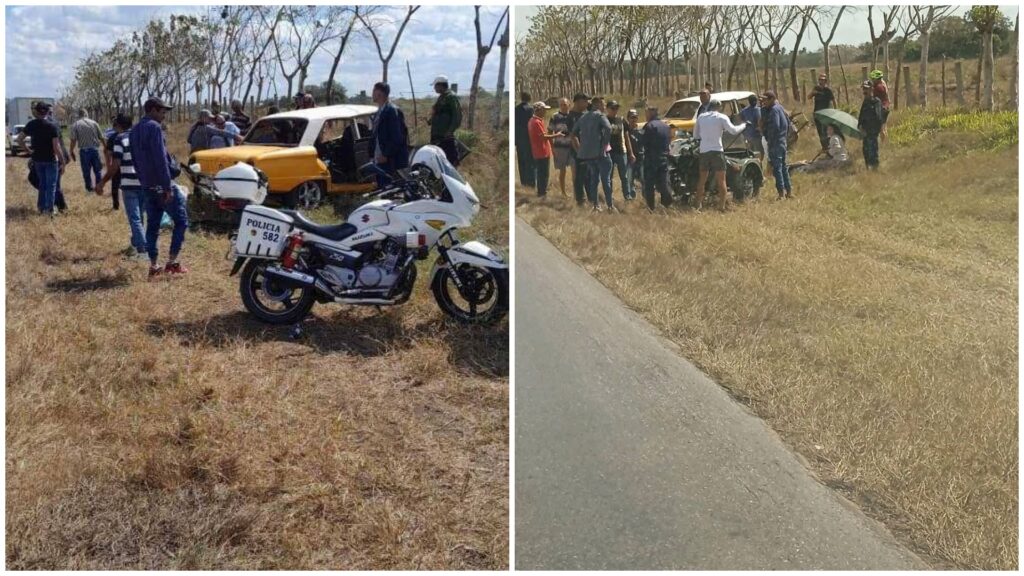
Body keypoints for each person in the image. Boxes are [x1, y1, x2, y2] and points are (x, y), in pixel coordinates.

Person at [131, 97, 189, 278]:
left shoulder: (134, 130)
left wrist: (144, 182)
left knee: (152, 226)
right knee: (181, 221)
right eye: (163, 111)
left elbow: (134, 160)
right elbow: (160, 160)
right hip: (161, 185)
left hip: (147, 186)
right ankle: (172, 262)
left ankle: (154, 266)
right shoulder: (154, 128)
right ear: (153, 110)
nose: (164, 115)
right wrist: (167, 187)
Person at [97, 114, 148, 259]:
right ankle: (135, 244)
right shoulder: (141, 137)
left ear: (118, 125)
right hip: (144, 182)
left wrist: (102, 181)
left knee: (134, 218)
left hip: (129, 183)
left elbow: (116, 165)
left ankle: (143, 251)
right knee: (140, 216)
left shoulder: (120, 139)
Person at [693, 99, 747, 212]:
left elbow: (696, 135)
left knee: (702, 179)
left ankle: (698, 205)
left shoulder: (701, 117)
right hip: (717, 150)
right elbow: (733, 130)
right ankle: (721, 207)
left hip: (704, 151)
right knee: (721, 180)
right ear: (719, 107)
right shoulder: (721, 117)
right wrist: (744, 125)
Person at [17, 101, 65, 217]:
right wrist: (62, 162)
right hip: (51, 160)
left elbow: (19, 139)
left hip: (37, 160)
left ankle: (41, 208)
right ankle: (49, 210)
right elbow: (56, 147)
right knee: (51, 186)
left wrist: (28, 151)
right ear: (47, 112)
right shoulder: (52, 126)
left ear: (36, 112)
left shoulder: (31, 124)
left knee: (42, 184)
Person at [571, 96, 612, 212]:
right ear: (597, 104)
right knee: (606, 180)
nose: (604, 107)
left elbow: (573, 133)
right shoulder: (600, 115)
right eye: (603, 104)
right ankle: (610, 205)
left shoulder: (583, 117)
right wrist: (604, 145)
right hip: (601, 154)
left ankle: (595, 205)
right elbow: (608, 128)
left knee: (594, 179)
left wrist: (580, 149)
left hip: (588, 155)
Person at [371, 81, 410, 187]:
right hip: (380, 160)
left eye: (374, 91)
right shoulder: (380, 111)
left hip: (389, 161)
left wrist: (386, 155)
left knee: (390, 190)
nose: (372, 94)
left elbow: (397, 137)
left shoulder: (391, 111)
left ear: (379, 93)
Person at [639, 106, 672, 212]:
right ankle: (666, 203)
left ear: (651, 113)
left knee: (649, 184)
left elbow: (643, 142)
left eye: (647, 113)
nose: (646, 115)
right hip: (664, 157)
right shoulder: (666, 126)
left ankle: (650, 207)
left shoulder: (649, 126)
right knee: (663, 182)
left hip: (651, 158)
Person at [761, 90, 792, 199]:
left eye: (765, 100)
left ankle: (781, 193)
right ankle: (789, 191)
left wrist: (770, 139)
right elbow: (788, 124)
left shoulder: (774, 110)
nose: (764, 102)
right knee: (783, 167)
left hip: (775, 143)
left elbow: (775, 126)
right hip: (782, 141)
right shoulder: (780, 108)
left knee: (777, 168)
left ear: (772, 99)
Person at [428, 75, 463, 166]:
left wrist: (450, 131)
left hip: (445, 136)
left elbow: (457, 116)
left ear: (441, 85)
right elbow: (437, 113)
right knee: (438, 159)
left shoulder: (451, 97)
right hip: (437, 135)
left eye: (435, 86)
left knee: (450, 160)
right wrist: (430, 120)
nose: (434, 88)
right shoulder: (441, 97)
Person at [69, 108, 105, 193]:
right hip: (95, 150)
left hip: (84, 151)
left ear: (79, 115)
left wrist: (71, 151)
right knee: (98, 171)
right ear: (86, 114)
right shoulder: (94, 123)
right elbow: (102, 137)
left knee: (86, 171)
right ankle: (98, 188)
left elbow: (73, 140)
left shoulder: (76, 125)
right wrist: (106, 148)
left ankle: (89, 189)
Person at [528, 101, 559, 198]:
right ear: (539, 110)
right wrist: (556, 135)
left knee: (542, 173)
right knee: (543, 174)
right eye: (544, 110)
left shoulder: (534, 120)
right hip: (541, 152)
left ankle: (542, 191)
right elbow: (544, 137)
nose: (545, 112)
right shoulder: (536, 122)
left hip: (540, 151)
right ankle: (542, 193)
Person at [606, 100, 635, 201]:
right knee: (609, 177)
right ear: (607, 109)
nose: (615, 110)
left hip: (621, 151)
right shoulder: (604, 120)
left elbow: (627, 138)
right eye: (612, 108)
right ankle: (609, 196)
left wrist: (631, 153)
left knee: (624, 176)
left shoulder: (622, 120)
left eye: (616, 108)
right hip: (608, 152)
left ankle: (627, 196)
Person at [548, 98, 573, 196]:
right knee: (562, 171)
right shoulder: (555, 117)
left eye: (565, 104)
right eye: (562, 104)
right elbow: (549, 132)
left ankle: (577, 192)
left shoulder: (572, 116)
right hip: (560, 148)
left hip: (572, 147)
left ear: (569, 105)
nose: (564, 106)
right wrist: (552, 148)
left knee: (575, 169)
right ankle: (563, 192)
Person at [568, 93, 589, 204]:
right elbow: (573, 136)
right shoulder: (571, 116)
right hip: (578, 152)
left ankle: (591, 198)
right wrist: (580, 151)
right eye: (585, 101)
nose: (587, 104)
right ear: (578, 102)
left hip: (589, 151)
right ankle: (580, 200)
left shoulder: (585, 114)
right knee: (579, 176)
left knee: (588, 176)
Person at [858, 81, 884, 170]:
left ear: (871, 89)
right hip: (865, 132)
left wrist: (881, 130)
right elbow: (861, 116)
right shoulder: (865, 102)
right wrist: (860, 126)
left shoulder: (876, 102)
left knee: (873, 150)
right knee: (865, 151)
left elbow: (879, 117)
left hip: (873, 131)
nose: (865, 91)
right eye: (864, 89)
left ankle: (875, 169)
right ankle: (868, 168)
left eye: (866, 89)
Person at [808, 74, 836, 151]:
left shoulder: (828, 90)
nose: (821, 81)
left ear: (825, 81)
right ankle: (824, 147)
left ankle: (829, 147)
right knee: (820, 131)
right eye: (820, 80)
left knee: (825, 131)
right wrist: (813, 92)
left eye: (822, 80)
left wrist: (835, 111)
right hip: (817, 114)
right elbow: (808, 97)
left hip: (826, 114)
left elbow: (833, 100)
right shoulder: (816, 89)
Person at [514, 92, 536, 187]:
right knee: (530, 161)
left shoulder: (515, 109)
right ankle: (531, 181)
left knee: (521, 160)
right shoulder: (531, 109)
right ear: (529, 98)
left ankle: (524, 182)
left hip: (519, 139)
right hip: (529, 139)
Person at [102, 118, 121, 210]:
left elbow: (107, 153)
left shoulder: (112, 137)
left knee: (115, 186)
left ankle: (115, 206)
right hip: (130, 166)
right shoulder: (132, 135)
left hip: (116, 165)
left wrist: (109, 165)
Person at [739, 94, 764, 164]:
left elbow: (740, 120)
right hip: (756, 136)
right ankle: (759, 165)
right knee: (759, 153)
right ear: (756, 101)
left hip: (747, 136)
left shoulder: (744, 111)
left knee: (750, 153)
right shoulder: (758, 110)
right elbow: (759, 121)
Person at [869, 69, 890, 140]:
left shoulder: (877, 88)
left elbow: (873, 99)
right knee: (884, 127)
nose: (872, 80)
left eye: (873, 79)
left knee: (880, 128)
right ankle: (886, 141)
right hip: (886, 107)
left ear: (876, 79)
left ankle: (884, 143)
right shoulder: (883, 84)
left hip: (881, 109)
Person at [626, 109, 644, 192]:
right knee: (629, 180)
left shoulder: (641, 131)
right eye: (632, 117)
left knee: (643, 179)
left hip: (641, 158)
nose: (634, 119)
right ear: (628, 118)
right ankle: (631, 198)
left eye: (635, 117)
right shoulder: (625, 131)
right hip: (629, 159)